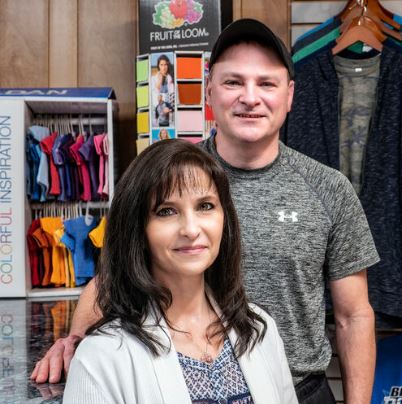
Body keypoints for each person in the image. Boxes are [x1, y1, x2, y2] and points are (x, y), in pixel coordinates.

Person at [31, 19, 379, 404]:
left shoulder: (330, 189)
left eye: (266, 83)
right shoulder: (166, 180)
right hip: (175, 383)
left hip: (298, 388)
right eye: (234, 82)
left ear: (290, 95)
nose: (250, 97)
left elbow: (353, 315)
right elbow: (114, 274)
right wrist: (78, 341)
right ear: (209, 89)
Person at [62, 139, 297, 403]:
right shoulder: (100, 357)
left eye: (205, 206)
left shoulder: (259, 329)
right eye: (166, 211)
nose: (191, 229)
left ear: (224, 218)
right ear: (137, 229)